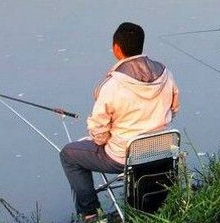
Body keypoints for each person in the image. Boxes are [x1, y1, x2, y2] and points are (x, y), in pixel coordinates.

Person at [60, 22, 180, 222]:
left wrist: (105, 142)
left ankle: (91, 214)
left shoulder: (112, 85)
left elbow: (98, 131)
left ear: (116, 48)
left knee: (68, 155)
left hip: (123, 157)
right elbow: (174, 109)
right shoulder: (166, 74)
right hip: (161, 151)